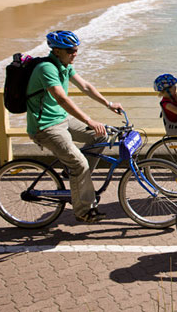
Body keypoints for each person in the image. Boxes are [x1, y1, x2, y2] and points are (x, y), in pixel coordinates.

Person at [27, 30, 123, 223]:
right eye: (70, 50)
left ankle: (75, 178)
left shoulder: (64, 65)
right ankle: (83, 211)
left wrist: (108, 104)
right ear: (56, 51)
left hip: (62, 120)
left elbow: (85, 86)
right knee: (80, 163)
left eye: (76, 50)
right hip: (46, 127)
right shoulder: (47, 68)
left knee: (101, 135)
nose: (75, 54)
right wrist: (89, 120)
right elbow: (61, 98)